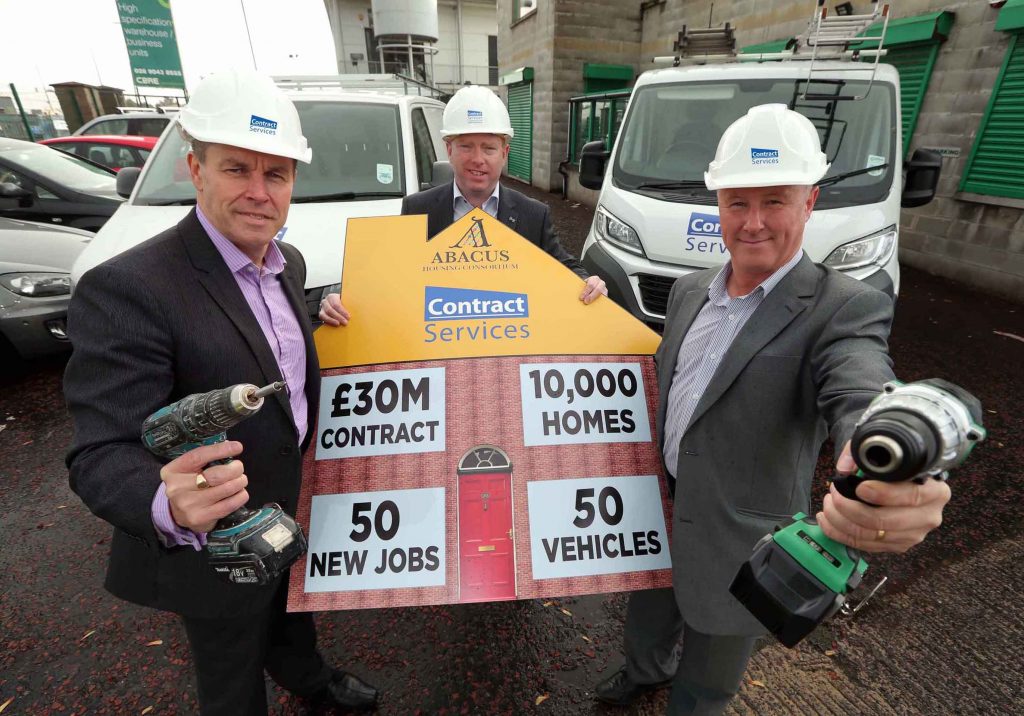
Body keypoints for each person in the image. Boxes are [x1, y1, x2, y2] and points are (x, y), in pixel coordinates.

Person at [592, 104, 953, 714]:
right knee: (648, 618)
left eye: (775, 201)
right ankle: (643, 672)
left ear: (809, 202)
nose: (753, 222)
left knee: (706, 683)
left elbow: (860, 385)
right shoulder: (686, 291)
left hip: (739, 541)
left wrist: (882, 446)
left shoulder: (843, 309)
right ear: (718, 204)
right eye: (737, 202)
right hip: (660, 509)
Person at [64, 70, 378, 715]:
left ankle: (308, 679)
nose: (260, 193)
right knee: (230, 668)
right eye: (238, 169)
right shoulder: (129, 286)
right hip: (209, 537)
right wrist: (165, 501)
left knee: (290, 612)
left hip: (287, 503)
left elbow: (264, 343)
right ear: (196, 169)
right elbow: (101, 449)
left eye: (277, 175)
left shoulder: (286, 265)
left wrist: (325, 313)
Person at [318, 85, 606, 327]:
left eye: (489, 148)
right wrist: (339, 295)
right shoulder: (418, 209)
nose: (477, 159)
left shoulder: (533, 214)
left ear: (504, 154)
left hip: (507, 345)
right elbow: (384, 274)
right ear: (449, 150)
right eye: (466, 146)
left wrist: (588, 281)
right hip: (440, 346)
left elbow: (563, 265)